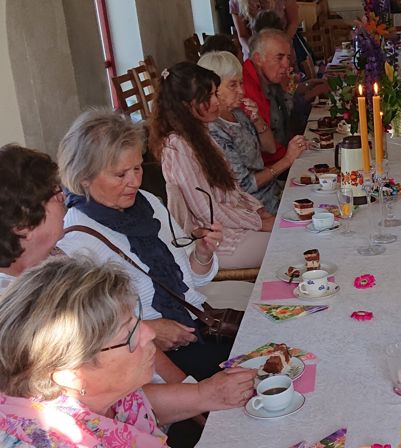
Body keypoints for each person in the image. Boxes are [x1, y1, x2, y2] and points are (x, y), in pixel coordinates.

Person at [1, 143, 254, 447]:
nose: (64, 201)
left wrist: (200, 393)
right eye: (54, 195)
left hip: (147, 411)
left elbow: (131, 356)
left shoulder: (58, 261)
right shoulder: (24, 307)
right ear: (22, 224)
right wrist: (200, 396)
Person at [0, 257, 256, 447]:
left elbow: (131, 407)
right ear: (69, 373)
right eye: (128, 334)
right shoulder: (50, 439)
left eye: (137, 321)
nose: (151, 335)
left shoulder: (97, 392)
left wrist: (207, 394)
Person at [57, 110, 234, 382]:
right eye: (120, 174)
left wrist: (202, 253)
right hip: (151, 357)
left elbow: (191, 282)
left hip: (200, 326)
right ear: (84, 178)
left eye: (137, 168)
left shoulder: (148, 203)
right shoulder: (76, 239)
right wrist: (148, 328)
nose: (134, 182)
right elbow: (89, 332)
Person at [149, 62, 278, 270]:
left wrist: (259, 211)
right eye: (208, 97)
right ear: (186, 105)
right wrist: (259, 223)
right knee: (289, 244)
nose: (216, 101)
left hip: (234, 226)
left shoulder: (200, 133)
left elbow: (233, 189)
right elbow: (206, 212)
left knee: (294, 230)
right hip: (215, 242)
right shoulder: (177, 147)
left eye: (215, 93)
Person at [199, 51, 303, 214]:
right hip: (255, 207)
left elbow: (270, 148)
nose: (241, 91)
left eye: (241, 83)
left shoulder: (237, 113)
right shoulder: (214, 130)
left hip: (273, 192)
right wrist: (288, 160)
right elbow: (244, 185)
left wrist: (257, 120)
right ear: (212, 89)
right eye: (233, 85)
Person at [243, 29, 320, 171]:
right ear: (258, 58)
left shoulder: (269, 77)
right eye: (279, 58)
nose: (287, 65)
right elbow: (269, 150)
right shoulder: (246, 87)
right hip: (268, 172)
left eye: (288, 57)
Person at [0, 144, 64, 291]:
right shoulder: (10, 303)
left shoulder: (55, 259)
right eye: (55, 194)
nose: (64, 197)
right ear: (22, 223)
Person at [230, 0, 301, 60]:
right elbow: (243, 35)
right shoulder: (236, 2)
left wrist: (281, 45)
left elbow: (293, 22)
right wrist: (255, 52)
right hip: (254, 53)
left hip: (282, 50)